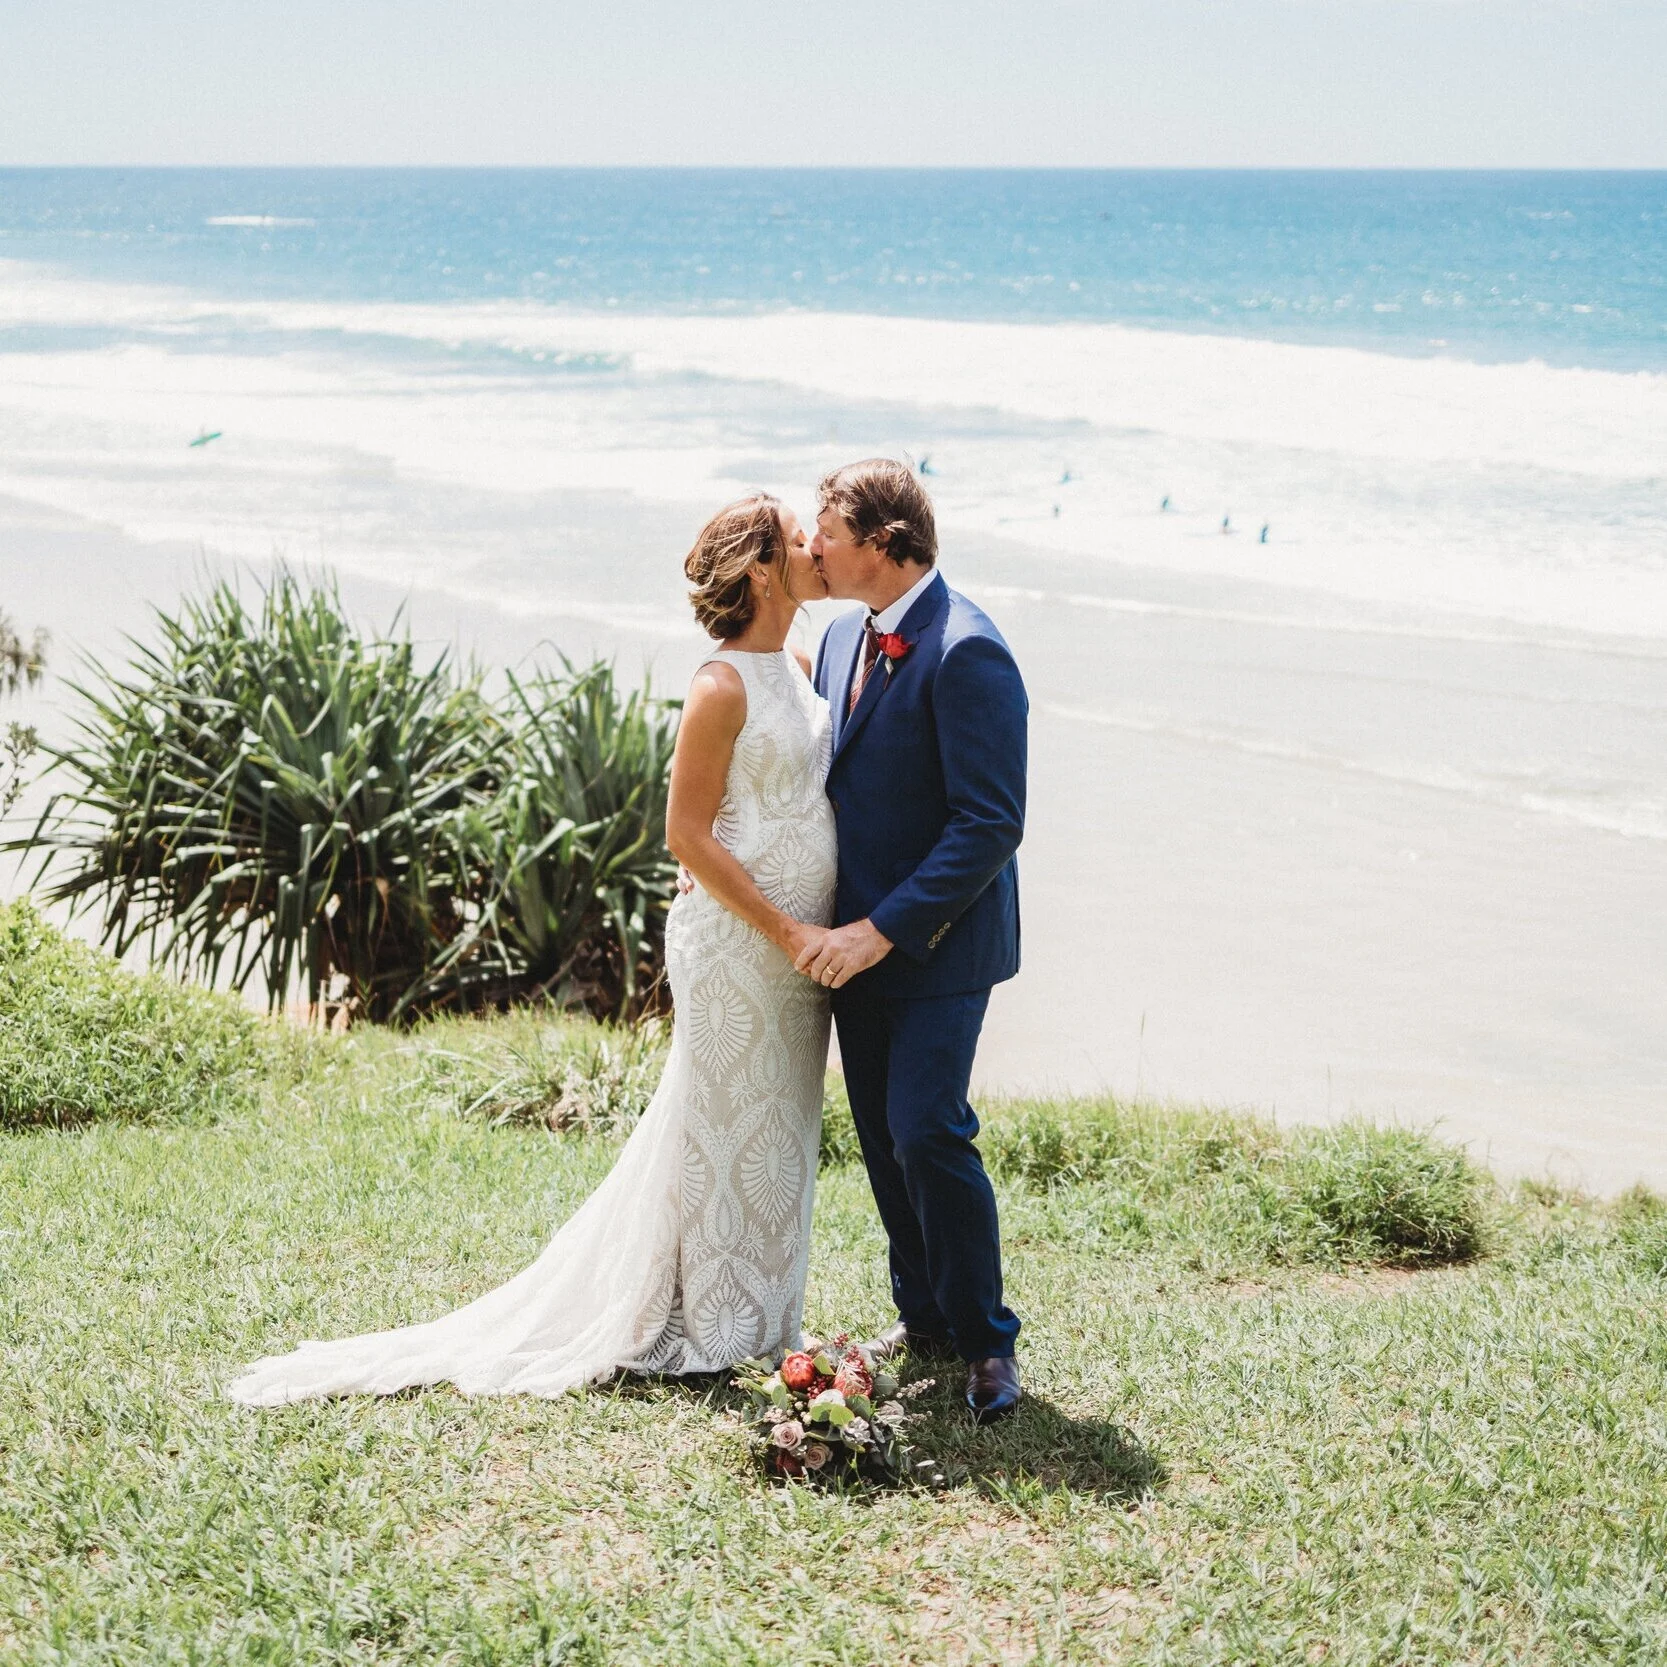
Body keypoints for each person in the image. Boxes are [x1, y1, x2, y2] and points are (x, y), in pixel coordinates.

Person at [227, 495, 837, 1405]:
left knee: (780, 1125)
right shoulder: (719, 688)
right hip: (741, 946)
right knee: (717, 1127)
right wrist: (785, 925)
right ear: (759, 570)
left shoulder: (796, 661)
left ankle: (761, 1314)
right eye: (799, 539)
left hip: (803, 956)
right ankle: (706, 1321)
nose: (816, 547)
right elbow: (685, 835)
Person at [797, 458, 1026, 1424]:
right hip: (850, 944)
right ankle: (922, 1315)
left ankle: (984, 1342)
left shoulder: (968, 650)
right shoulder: (842, 632)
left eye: (827, 536)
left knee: (928, 1128)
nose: (811, 549)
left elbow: (989, 822)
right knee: (885, 1143)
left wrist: (880, 931)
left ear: (885, 547)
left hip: (936, 945)